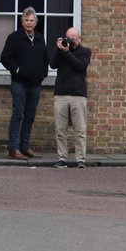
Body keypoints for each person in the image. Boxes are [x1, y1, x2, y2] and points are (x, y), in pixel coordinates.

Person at [0, 7, 50, 160]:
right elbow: (5, 58)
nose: (29, 23)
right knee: (18, 114)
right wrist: (17, 70)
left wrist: (43, 73)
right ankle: (14, 149)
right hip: (19, 83)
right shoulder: (14, 38)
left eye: (32, 20)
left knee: (30, 115)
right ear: (22, 22)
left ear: (36, 22)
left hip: (35, 83)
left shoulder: (41, 38)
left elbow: (45, 58)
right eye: (26, 20)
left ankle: (25, 147)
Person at [51, 27, 91, 169]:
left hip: (78, 94)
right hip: (61, 93)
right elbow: (52, 64)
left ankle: (80, 159)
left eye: (73, 39)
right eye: (69, 38)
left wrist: (66, 52)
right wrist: (58, 49)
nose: (71, 41)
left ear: (79, 39)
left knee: (80, 129)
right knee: (60, 128)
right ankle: (62, 157)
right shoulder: (62, 50)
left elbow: (79, 66)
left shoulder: (85, 52)